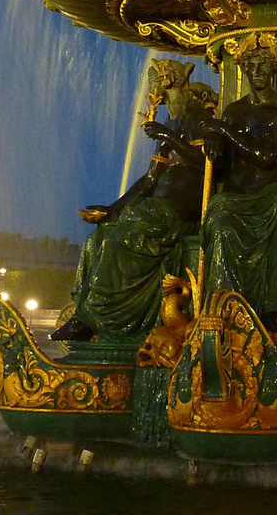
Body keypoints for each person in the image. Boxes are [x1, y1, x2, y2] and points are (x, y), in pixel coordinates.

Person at [53, 60, 215, 342]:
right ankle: (82, 312)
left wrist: (169, 136)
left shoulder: (199, 120)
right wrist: (112, 209)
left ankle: (95, 319)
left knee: (117, 243)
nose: (165, 98)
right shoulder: (171, 124)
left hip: (177, 212)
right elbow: (150, 179)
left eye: (171, 91)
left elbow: (208, 162)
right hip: (154, 209)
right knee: (97, 240)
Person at [198, 33, 277, 340]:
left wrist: (223, 130)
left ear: (274, 69)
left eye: (262, 65)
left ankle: (276, 314)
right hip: (239, 197)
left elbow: (268, 159)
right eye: (250, 64)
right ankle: (227, 309)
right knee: (221, 223)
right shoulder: (234, 112)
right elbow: (224, 166)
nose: (255, 71)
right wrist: (214, 142)